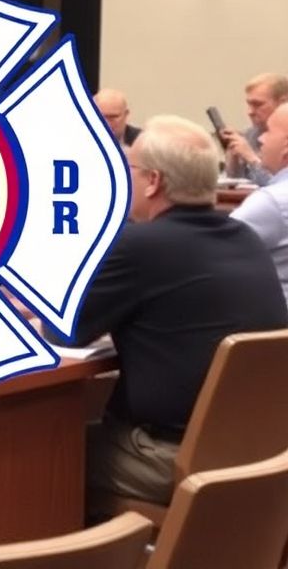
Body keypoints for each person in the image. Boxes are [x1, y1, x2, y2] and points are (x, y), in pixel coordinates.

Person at [58, 115, 287, 520]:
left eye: (129, 168)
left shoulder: (140, 246)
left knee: (43, 454)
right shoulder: (246, 239)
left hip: (170, 457)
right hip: (258, 453)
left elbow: (65, 331)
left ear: (153, 181)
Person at [231, 103, 288, 302]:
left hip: (273, 328)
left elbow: (213, 252)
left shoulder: (272, 202)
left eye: (268, 132)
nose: (261, 139)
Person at [222, 72, 288, 185]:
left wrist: (251, 157)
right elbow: (236, 184)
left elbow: (278, 187)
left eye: (258, 104)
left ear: (282, 103)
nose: (250, 112)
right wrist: (234, 158)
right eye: (249, 104)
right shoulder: (250, 134)